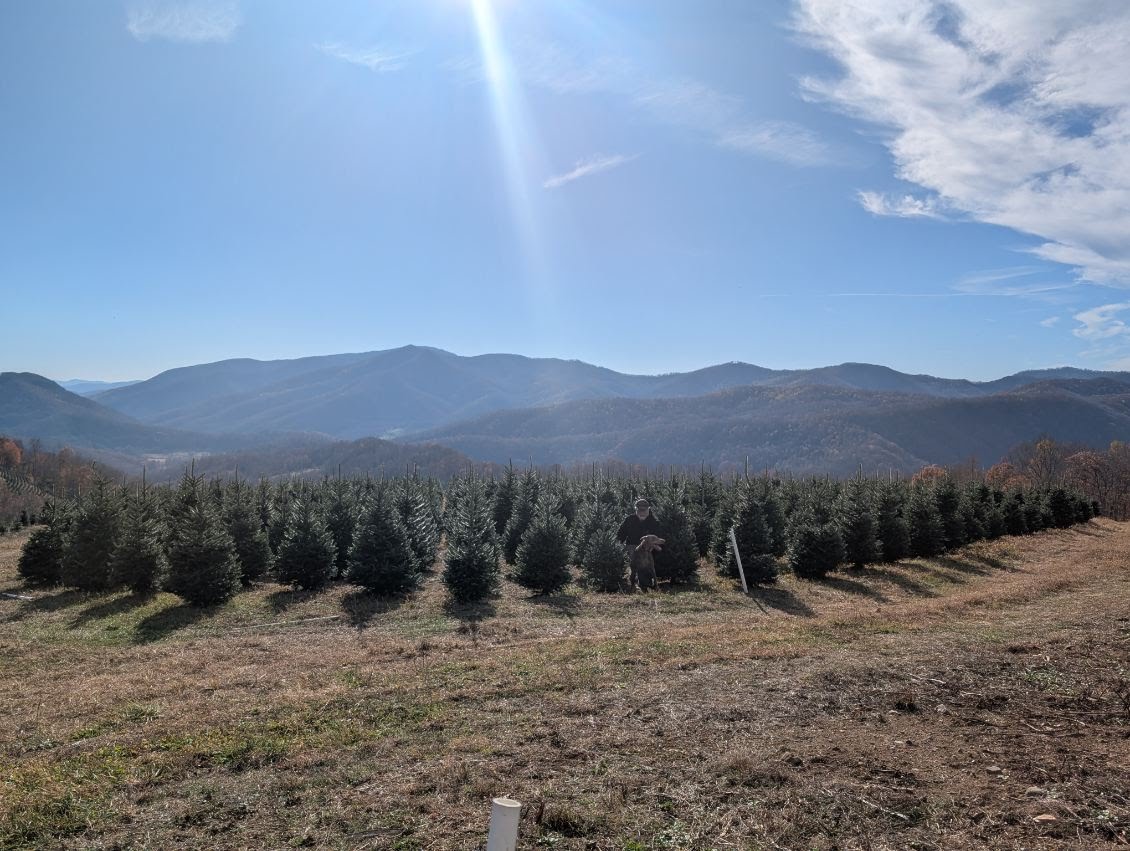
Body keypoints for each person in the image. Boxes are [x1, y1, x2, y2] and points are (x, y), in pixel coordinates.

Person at [617, 498, 662, 586]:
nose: (642, 512)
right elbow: (621, 534)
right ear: (636, 509)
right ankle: (632, 580)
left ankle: (644, 581)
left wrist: (652, 545)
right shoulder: (629, 520)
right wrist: (618, 546)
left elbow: (658, 537)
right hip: (631, 546)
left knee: (644, 561)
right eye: (639, 510)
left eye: (644, 510)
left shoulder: (654, 522)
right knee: (633, 558)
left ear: (648, 509)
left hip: (647, 548)